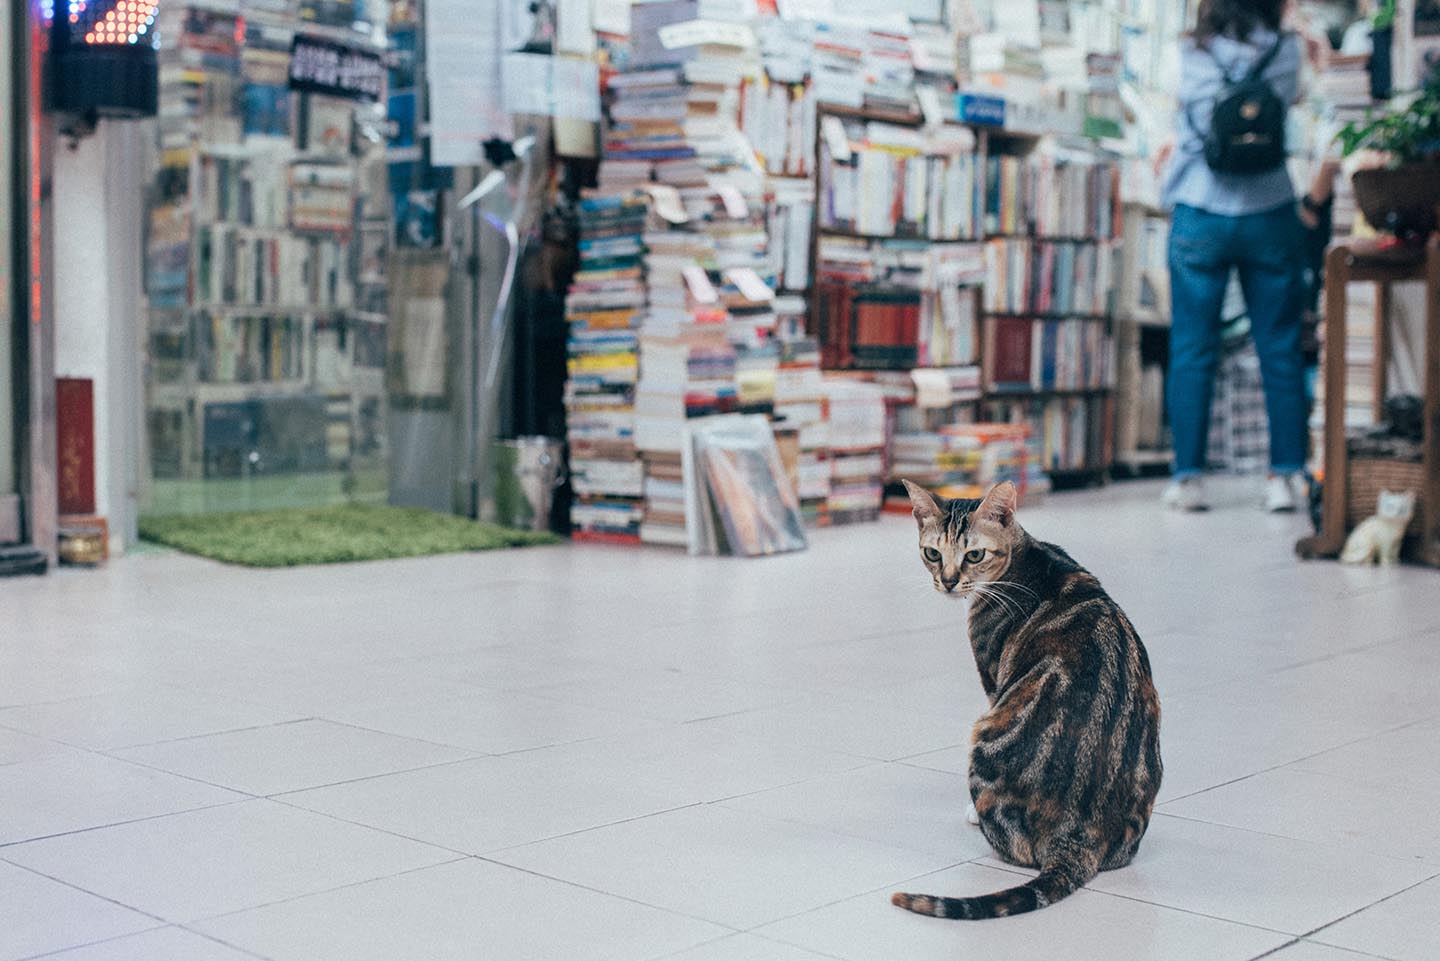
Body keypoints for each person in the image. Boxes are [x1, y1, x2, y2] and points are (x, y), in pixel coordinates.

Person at [1160, 0, 1311, 512]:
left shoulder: (1191, 51)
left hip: (1200, 208)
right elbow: (1288, 102)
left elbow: (1189, 121)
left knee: (1192, 347)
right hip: (1270, 208)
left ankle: (1188, 479)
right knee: (1280, 346)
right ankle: (1284, 477)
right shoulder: (1287, 50)